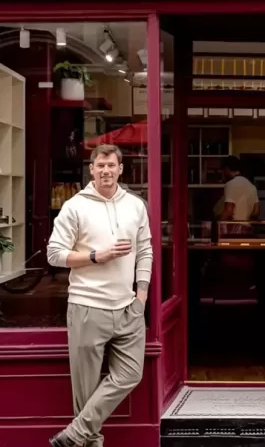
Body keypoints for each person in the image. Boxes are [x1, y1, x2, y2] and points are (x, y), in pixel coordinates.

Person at [47, 143, 153, 447]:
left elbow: (145, 250)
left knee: (131, 374)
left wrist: (141, 296)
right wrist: (96, 256)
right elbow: (54, 255)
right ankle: (84, 439)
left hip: (128, 309)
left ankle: (74, 436)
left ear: (120, 169)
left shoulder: (135, 205)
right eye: (100, 166)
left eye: (111, 165)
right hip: (87, 307)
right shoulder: (75, 206)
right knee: (86, 391)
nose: (106, 170)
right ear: (91, 170)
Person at [219, 155, 260, 222]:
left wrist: (218, 220)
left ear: (227, 169)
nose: (223, 174)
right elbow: (256, 212)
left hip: (233, 228)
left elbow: (229, 211)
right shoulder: (252, 186)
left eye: (223, 171)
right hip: (247, 228)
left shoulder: (230, 184)